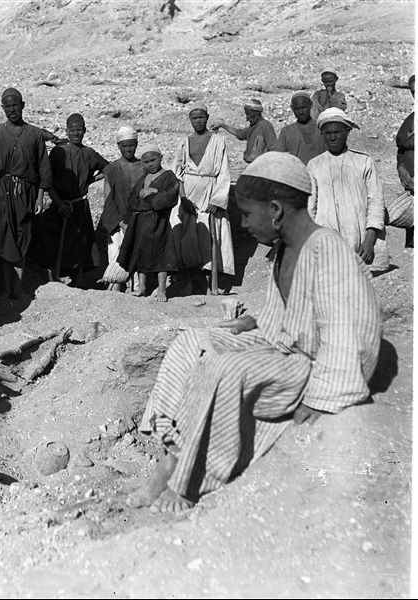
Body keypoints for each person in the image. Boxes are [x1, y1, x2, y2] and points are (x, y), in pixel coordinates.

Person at [129, 152, 382, 513]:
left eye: (247, 214)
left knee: (222, 369)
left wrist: (319, 399)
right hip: (278, 341)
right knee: (191, 342)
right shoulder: (285, 249)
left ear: (276, 211)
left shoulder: (329, 251)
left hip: (313, 364)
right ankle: (170, 457)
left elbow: (348, 336)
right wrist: (254, 322)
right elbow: (286, 308)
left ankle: (191, 480)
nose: (244, 225)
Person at [0, 87, 53, 299]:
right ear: (3, 108)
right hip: (1, 192)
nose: (12, 110)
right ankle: (4, 289)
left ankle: (17, 289)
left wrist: (40, 196)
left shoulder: (35, 134)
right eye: (7, 106)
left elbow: (43, 169)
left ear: (23, 106)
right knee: (1, 239)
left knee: (22, 238)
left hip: (25, 194)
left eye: (15, 105)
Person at [307, 108, 389, 272]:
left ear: (347, 131)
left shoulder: (363, 161)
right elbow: (310, 208)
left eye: (337, 132)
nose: (332, 137)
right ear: (322, 134)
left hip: (360, 242)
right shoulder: (315, 165)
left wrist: (370, 238)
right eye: (327, 133)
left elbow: (376, 201)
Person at [31, 113, 109, 282]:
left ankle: (77, 281)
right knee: (47, 235)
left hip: (79, 206)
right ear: (66, 131)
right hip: (60, 205)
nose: (75, 133)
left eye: (79, 130)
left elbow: (108, 168)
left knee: (80, 245)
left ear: (85, 131)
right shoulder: (59, 152)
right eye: (72, 130)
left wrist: (91, 180)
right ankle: (51, 277)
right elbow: (47, 180)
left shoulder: (89, 153)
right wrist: (59, 204)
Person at [171, 102, 235, 293]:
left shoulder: (218, 141)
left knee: (209, 237)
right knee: (186, 236)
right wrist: (182, 198)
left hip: (210, 191)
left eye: (201, 117)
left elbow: (224, 172)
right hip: (189, 194)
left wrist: (217, 200)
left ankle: (209, 285)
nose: (197, 121)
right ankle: (189, 282)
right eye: (193, 117)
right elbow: (177, 172)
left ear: (207, 118)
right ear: (189, 119)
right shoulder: (185, 141)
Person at [116, 142, 179, 302]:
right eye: (146, 162)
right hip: (141, 222)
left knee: (161, 255)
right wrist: (144, 193)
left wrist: (148, 197)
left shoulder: (169, 176)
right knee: (140, 253)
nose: (150, 164)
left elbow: (168, 198)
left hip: (159, 221)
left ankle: (162, 290)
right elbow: (132, 199)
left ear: (161, 158)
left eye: (153, 160)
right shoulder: (143, 179)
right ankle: (142, 287)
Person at [98, 126, 143, 292]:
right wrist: (121, 222)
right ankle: (116, 287)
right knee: (116, 255)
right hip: (118, 221)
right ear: (118, 146)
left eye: (131, 145)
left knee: (137, 256)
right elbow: (108, 200)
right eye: (124, 146)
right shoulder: (112, 169)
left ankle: (137, 289)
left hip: (138, 220)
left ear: (136, 144)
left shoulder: (143, 167)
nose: (128, 149)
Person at [210, 98, 277, 164]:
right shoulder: (252, 127)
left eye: (248, 114)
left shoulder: (265, 126)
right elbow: (239, 134)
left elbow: (274, 148)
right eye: (246, 114)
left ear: (256, 113)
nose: (247, 118)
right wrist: (222, 125)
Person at [275, 91, 326, 165]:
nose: (300, 112)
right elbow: (280, 159)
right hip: (295, 174)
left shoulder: (321, 128)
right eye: (297, 109)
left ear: (311, 105)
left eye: (304, 107)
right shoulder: (286, 131)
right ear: (292, 108)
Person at [394, 74, 414, 248]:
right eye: (413, 92)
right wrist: (401, 168)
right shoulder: (412, 118)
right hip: (410, 181)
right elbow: (401, 147)